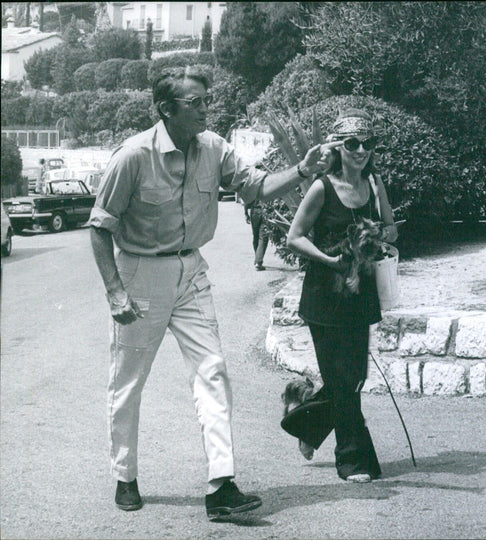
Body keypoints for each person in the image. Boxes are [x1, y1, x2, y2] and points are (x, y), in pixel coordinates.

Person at [89, 66, 333, 520]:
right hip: (140, 275)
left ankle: (221, 487)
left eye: (207, 100)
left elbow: (256, 188)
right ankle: (125, 475)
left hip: (191, 271)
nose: (206, 108)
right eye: (195, 102)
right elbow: (100, 227)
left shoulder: (214, 148)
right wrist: (115, 292)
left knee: (213, 371)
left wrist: (303, 169)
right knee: (128, 381)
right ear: (166, 109)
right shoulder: (133, 156)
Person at [285, 108, 398, 483]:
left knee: (355, 377)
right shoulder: (322, 187)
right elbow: (294, 237)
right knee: (342, 380)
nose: (361, 150)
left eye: (368, 143)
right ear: (338, 147)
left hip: (360, 294)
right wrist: (328, 259)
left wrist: (378, 238)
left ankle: (306, 419)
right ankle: (352, 461)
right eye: (352, 143)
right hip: (324, 296)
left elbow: (391, 229)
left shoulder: (373, 184)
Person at [245, 199, 269, 271]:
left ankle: (258, 259)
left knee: (256, 236)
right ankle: (258, 261)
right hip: (265, 211)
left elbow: (247, 198)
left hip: (254, 211)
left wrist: (246, 213)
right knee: (263, 237)